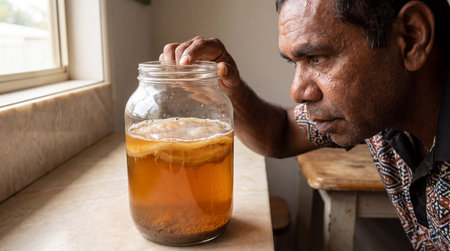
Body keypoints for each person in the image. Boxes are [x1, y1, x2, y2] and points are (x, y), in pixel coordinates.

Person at [159, 0, 450, 249]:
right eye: (294, 63)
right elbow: (280, 134)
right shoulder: (379, 115)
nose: (297, 91)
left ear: (412, 37)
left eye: (317, 58)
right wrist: (227, 87)